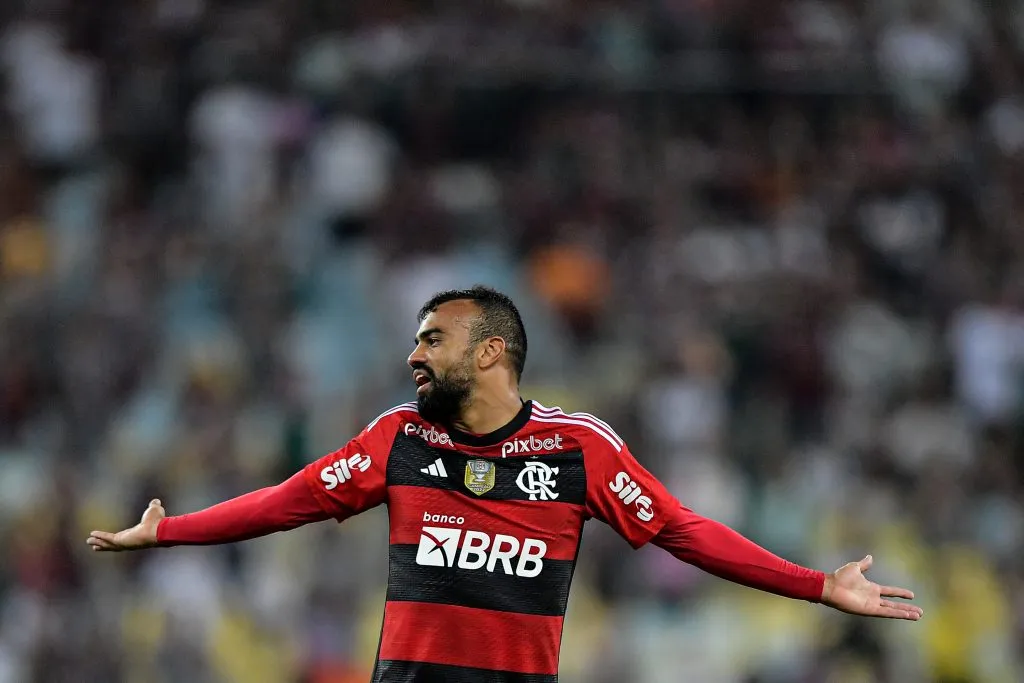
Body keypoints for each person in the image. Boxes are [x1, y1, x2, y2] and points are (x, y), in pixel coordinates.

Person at [88, 286, 923, 683]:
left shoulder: (579, 448)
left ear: (491, 352)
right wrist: (169, 531)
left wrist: (817, 585)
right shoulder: (398, 438)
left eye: (433, 339)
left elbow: (686, 531)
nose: (415, 355)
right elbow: (286, 502)